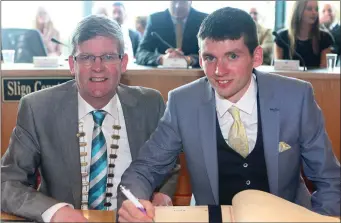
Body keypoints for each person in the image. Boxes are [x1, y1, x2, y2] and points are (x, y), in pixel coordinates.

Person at [117, 6, 341, 222]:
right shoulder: (182, 103)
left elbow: (329, 179)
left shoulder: (296, 97)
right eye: (209, 57)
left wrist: (321, 219)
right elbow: (145, 169)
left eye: (232, 56)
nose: (218, 71)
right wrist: (134, 203)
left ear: (256, 57)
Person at [1, 15, 179, 222]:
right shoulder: (38, 108)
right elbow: (7, 183)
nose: (97, 67)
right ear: (71, 64)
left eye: (108, 57)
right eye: (86, 57)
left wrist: (162, 194)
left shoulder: (150, 104)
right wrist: (54, 211)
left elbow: (168, 165)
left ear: (123, 63)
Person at [135, 0, 207, 68]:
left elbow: (213, 53)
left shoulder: (204, 20)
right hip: (164, 75)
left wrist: (191, 59)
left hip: (196, 75)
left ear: (190, 1)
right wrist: (161, 58)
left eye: (182, 1)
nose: (177, 6)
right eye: (174, 1)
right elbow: (141, 53)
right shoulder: (155, 20)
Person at [274, 1, 334, 68]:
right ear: (298, 11)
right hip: (287, 78)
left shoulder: (325, 37)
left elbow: (324, 72)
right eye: (309, 9)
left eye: (316, 9)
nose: (314, 12)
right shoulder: (282, 37)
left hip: (314, 78)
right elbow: (277, 70)